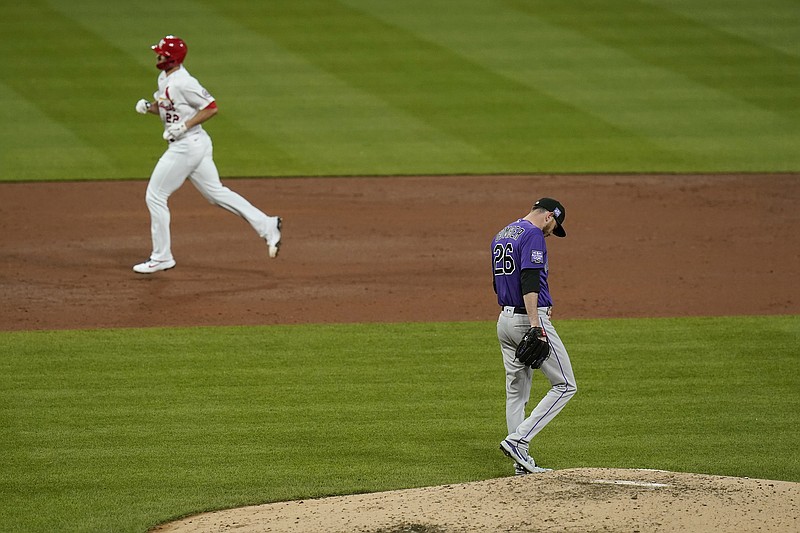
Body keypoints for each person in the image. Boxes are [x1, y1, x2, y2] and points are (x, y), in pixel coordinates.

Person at [132, 35, 282, 274]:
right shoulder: (165, 78)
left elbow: (211, 107)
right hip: (195, 144)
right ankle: (267, 225)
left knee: (155, 196)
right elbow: (169, 108)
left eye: (160, 53)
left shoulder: (185, 82)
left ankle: (162, 257)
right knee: (216, 193)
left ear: (170, 58)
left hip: (187, 146)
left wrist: (184, 126)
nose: (156, 55)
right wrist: (148, 108)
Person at [491, 197, 577, 475]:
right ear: (549, 216)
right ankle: (519, 440)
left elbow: (497, 283)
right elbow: (529, 280)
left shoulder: (503, 234)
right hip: (528, 319)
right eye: (554, 226)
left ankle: (521, 462)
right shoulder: (532, 235)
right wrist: (535, 325)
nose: (551, 233)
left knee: (516, 393)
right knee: (565, 385)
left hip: (504, 320)